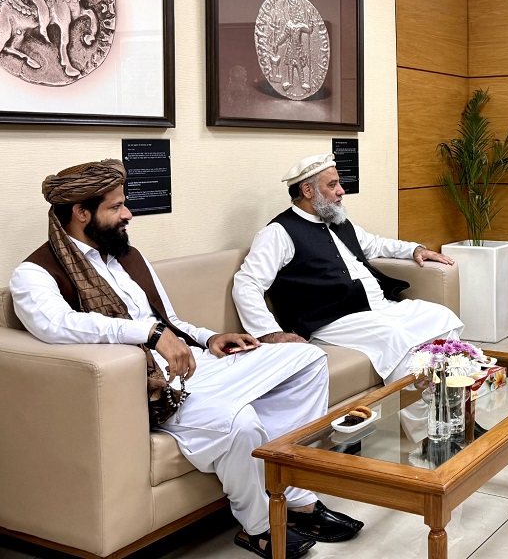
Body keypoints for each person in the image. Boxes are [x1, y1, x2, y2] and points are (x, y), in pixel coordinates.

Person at [8, 160, 363, 559]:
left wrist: (211, 337)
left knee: (308, 359)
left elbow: (169, 319)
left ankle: (290, 492)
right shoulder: (34, 274)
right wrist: (149, 333)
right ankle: (260, 527)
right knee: (239, 422)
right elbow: (57, 325)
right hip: (151, 387)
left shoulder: (126, 256)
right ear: (81, 212)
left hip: (194, 364)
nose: (128, 214)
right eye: (116, 207)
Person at [232, 153, 464, 390]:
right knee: (396, 337)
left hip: (380, 308)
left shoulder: (337, 221)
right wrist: (269, 333)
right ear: (308, 191)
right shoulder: (278, 232)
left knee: (441, 316)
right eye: (332, 185)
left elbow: (375, 244)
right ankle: (413, 410)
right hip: (334, 321)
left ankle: (451, 397)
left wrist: (415, 249)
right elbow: (247, 283)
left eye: (339, 184)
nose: (341, 191)